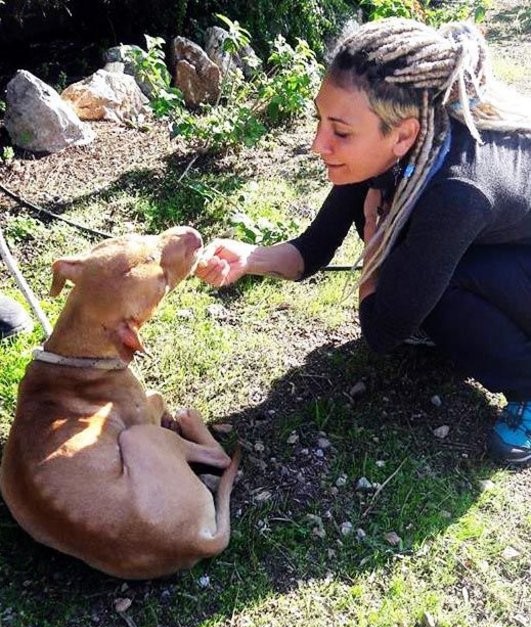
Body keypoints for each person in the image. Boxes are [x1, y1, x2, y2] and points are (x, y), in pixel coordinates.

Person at [195, 18, 531, 467]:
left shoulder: (458, 190)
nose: (319, 143)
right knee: (415, 261)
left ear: (404, 135)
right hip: (493, 242)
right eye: (320, 120)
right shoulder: (394, 140)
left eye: (340, 131)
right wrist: (249, 258)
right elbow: (315, 247)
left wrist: (375, 250)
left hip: (514, 255)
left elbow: (380, 332)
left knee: (442, 289)